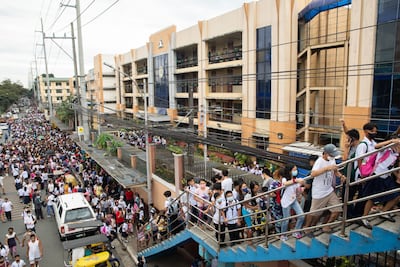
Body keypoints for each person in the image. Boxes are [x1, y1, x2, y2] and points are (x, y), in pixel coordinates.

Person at [304, 144, 346, 235]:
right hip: (319, 192)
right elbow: (313, 174)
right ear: (326, 154)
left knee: (337, 209)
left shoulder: (332, 159)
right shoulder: (319, 161)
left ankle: (326, 226)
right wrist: (326, 168)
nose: (333, 157)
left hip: (329, 190)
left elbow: (335, 171)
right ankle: (307, 228)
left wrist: (341, 176)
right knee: (314, 213)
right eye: (332, 155)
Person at [280, 164, 305, 241]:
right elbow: (285, 184)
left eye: (296, 169)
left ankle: (296, 231)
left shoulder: (296, 179)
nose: (295, 171)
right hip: (286, 201)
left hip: (293, 200)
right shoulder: (285, 179)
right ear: (289, 171)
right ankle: (283, 235)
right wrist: (296, 181)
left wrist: (301, 188)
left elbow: (297, 190)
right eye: (294, 170)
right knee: (286, 219)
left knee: (301, 216)